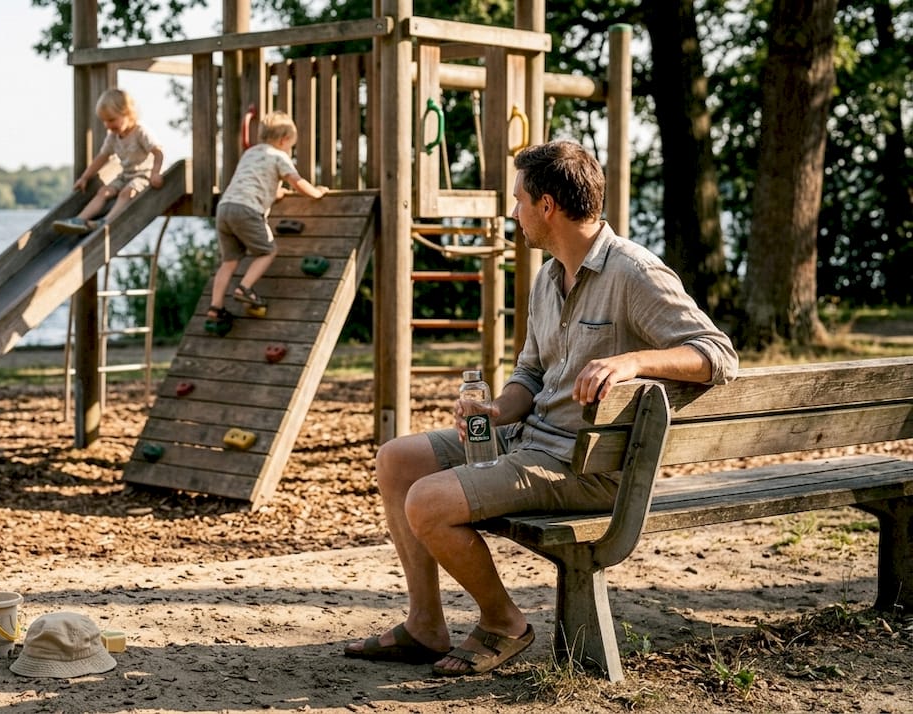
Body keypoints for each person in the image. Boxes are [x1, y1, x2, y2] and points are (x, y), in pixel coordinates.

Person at [342, 139, 739, 677]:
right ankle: (425, 625)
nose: (513, 212)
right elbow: (531, 372)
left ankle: (503, 622)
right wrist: (498, 410)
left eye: (517, 200)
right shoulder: (549, 275)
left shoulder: (634, 273)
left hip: (583, 463)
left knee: (427, 502)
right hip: (532, 439)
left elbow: (718, 354)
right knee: (397, 459)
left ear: (546, 205)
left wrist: (633, 362)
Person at [206, 110, 329, 327]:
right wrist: (317, 192)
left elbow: (254, 181)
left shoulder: (251, 153)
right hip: (247, 210)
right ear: (284, 140)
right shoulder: (279, 156)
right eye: (290, 145)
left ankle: (215, 308)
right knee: (267, 251)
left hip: (225, 209)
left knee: (229, 262)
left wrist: (274, 194)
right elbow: (296, 181)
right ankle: (244, 288)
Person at [54, 88, 164, 233]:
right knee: (103, 192)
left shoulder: (140, 132)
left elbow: (158, 152)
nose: (107, 125)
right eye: (104, 121)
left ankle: (106, 221)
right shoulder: (113, 136)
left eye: (111, 120)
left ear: (128, 113)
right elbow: (101, 158)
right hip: (125, 175)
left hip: (144, 175)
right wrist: (84, 177)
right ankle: (80, 220)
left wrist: (156, 173)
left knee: (127, 192)